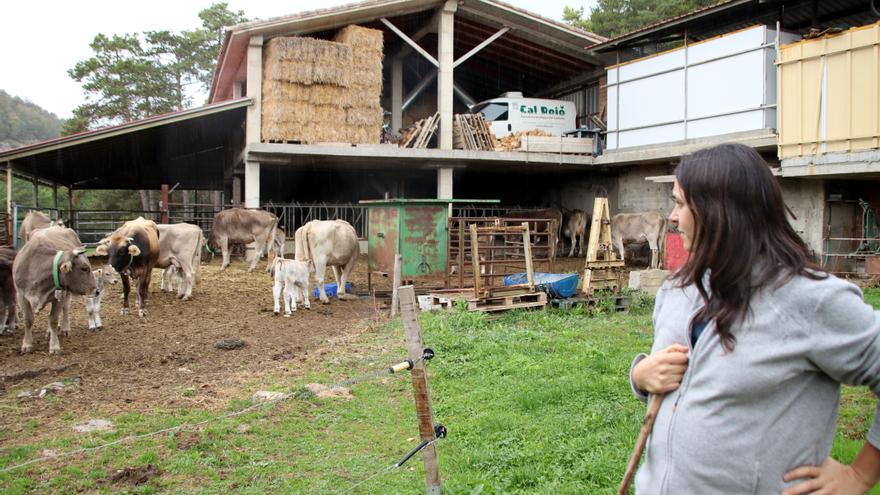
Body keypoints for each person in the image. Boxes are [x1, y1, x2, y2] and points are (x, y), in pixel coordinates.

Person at [629, 143, 880, 494]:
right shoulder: (678, 289)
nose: (672, 217)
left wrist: (861, 475)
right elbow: (683, 383)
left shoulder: (809, 300)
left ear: (720, 212)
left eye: (680, 203)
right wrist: (641, 376)